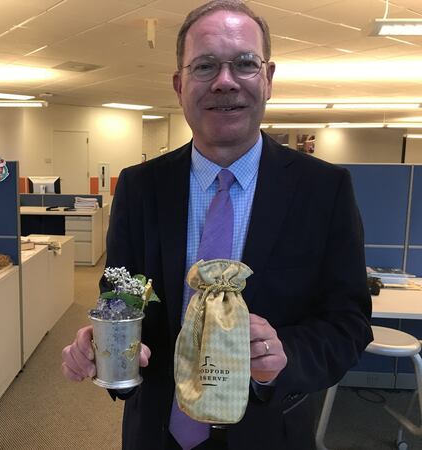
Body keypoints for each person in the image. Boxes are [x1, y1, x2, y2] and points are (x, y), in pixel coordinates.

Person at [61, 1, 373, 449]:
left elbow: (349, 322)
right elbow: (121, 297)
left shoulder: (324, 190)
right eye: (205, 66)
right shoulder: (140, 187)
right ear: (179, 85)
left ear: (268, 78)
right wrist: (104, 343)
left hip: (270, 431)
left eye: (244, 63)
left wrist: (285, 355)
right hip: (158, 431)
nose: (225, 81)